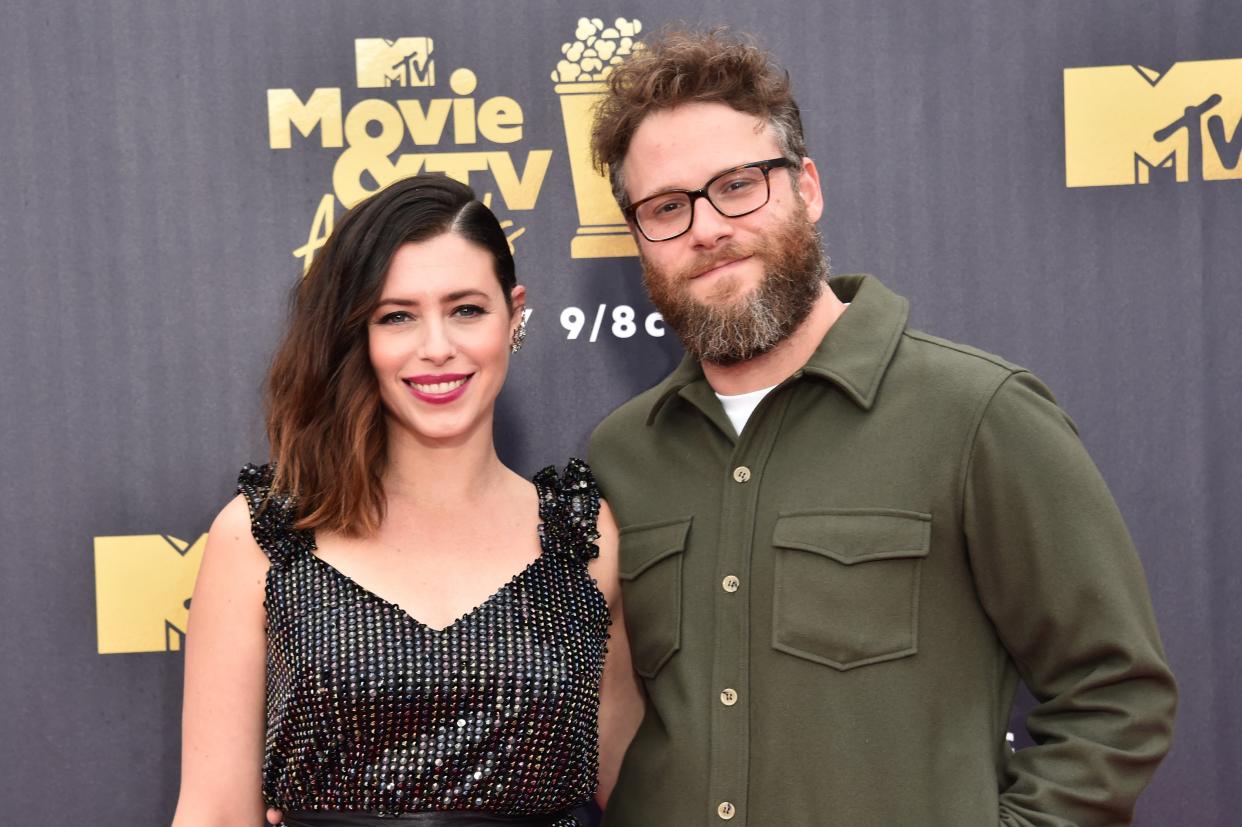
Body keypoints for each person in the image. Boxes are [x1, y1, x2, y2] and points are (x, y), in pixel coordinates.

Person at [586, 27, 1177, 827]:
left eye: (736, 186)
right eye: (667, 207)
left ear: (808, 188)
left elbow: (1116, 693)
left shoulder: (977, 414)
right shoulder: (620, 454)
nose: (706, 227)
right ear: (639, 239)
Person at [171, 174, 644, 827]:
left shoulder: (582, 535)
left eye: (466, 309)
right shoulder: (265, 537)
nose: (437, 347)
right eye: (398, 315)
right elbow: (217, 813)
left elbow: (640, 792)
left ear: (514, 315)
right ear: (358, 335)